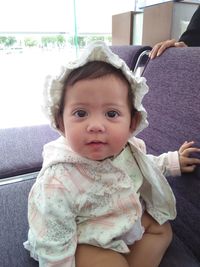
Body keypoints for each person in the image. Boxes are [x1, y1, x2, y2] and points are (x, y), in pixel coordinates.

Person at [24, 41, 200, 267]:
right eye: (81, 113)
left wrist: (173, 161)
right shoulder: (58, 180)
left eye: (111, 113)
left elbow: (147, 166)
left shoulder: (127, 149)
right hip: (80, 238)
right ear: (60, 122)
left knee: (162, 229)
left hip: (119, 222)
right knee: (111, 262)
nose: (96, 125)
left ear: (132, 123)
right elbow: (53, 241)